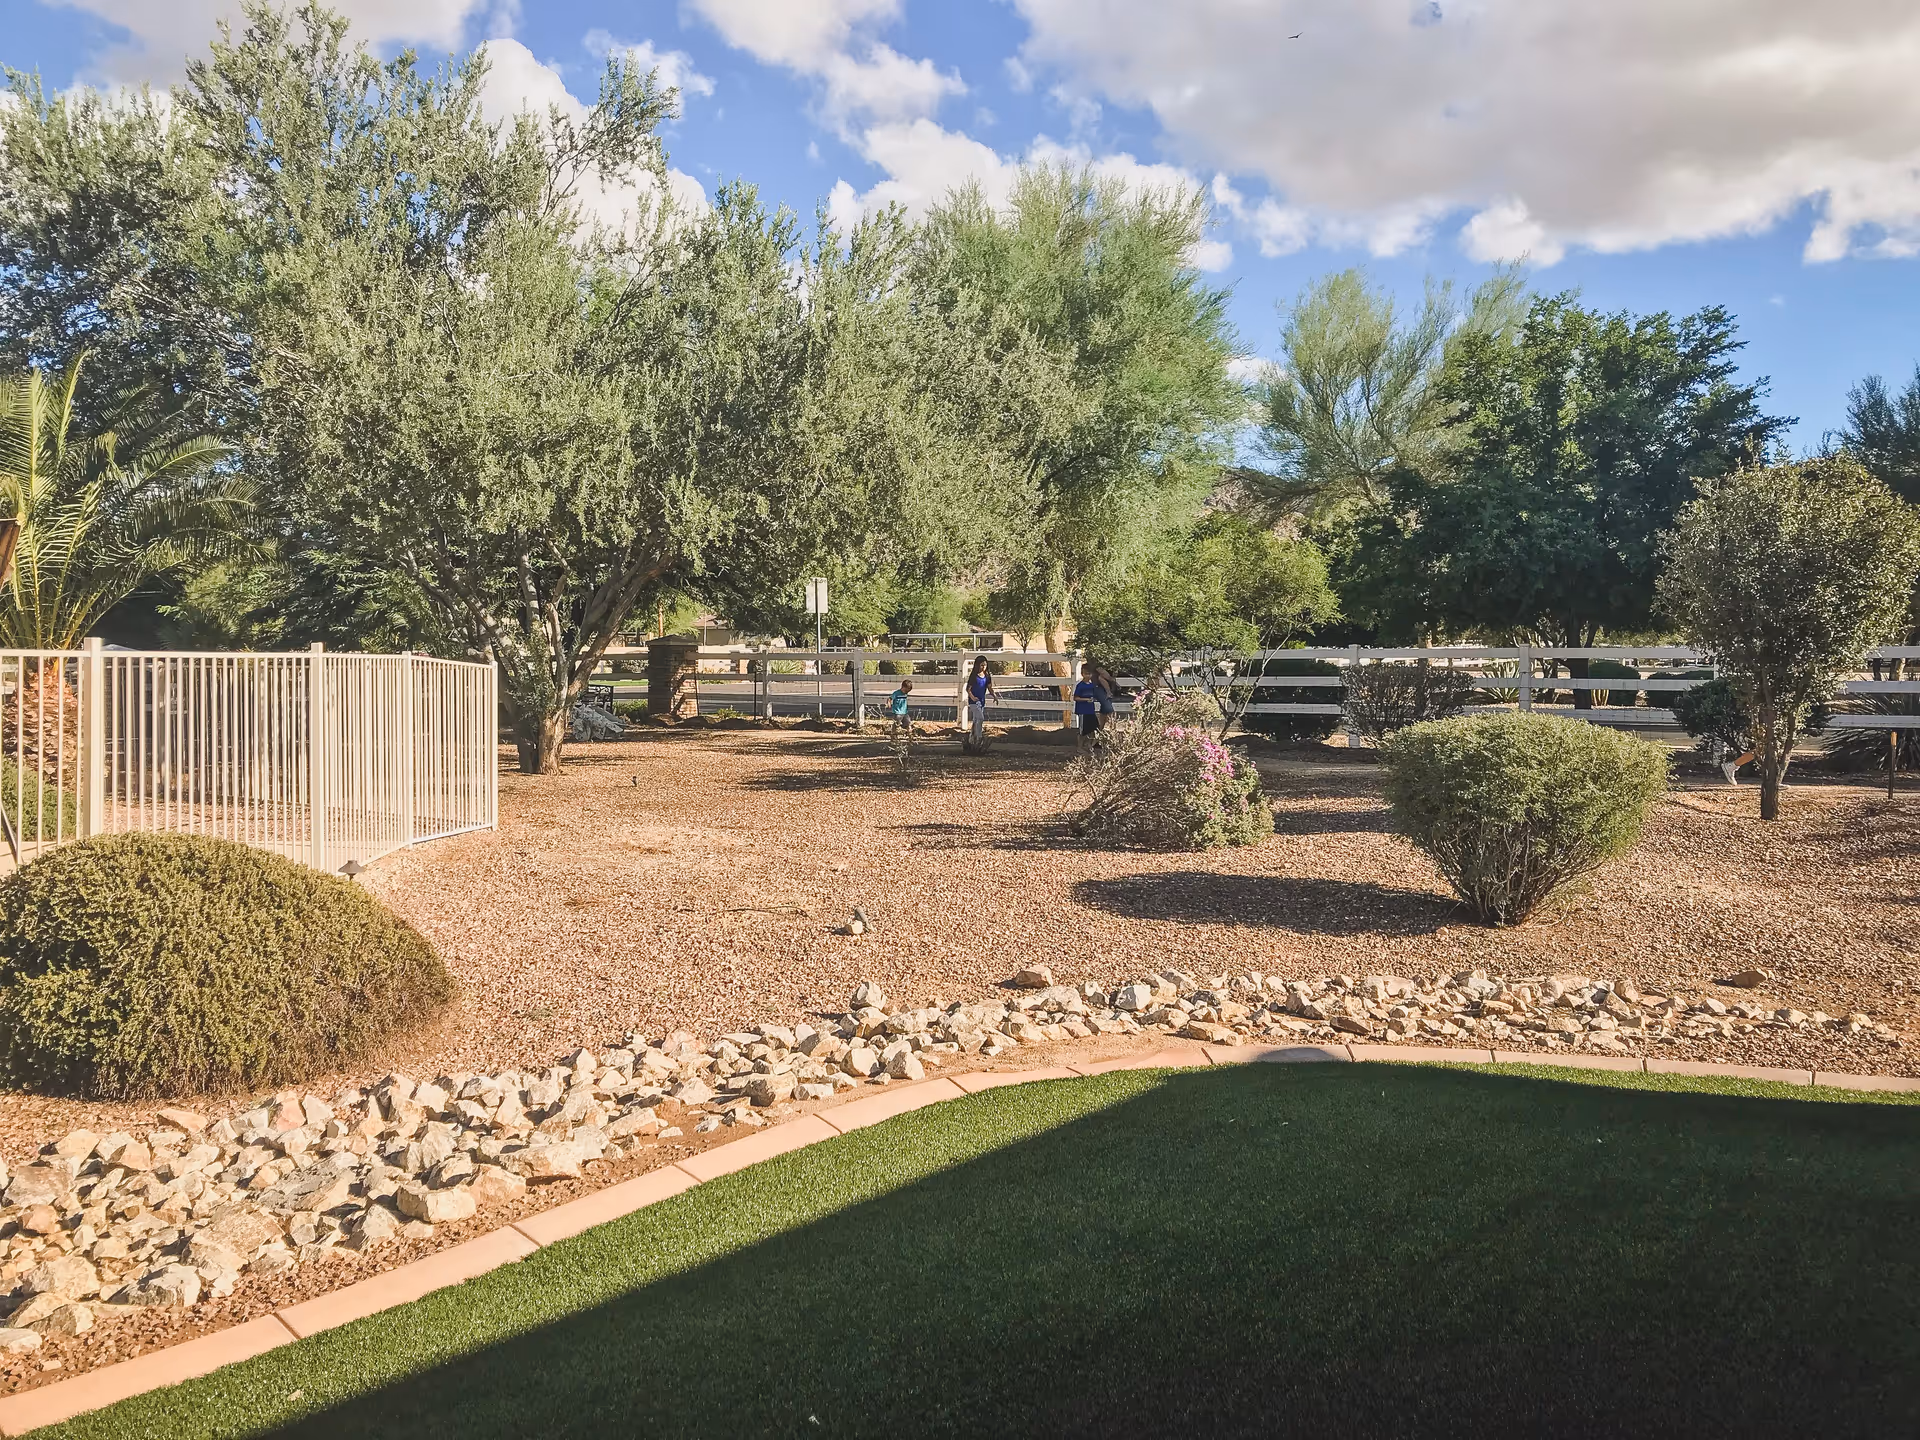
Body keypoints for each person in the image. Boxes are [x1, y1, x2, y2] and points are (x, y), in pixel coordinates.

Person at [964, 656, 996, 753]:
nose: (983, 667)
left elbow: (989, 688)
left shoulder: (986, 676)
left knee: (976, 720)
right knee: (980, 718)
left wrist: (994, 695)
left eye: (985, 665)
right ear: (977, 665)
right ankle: (978, 737)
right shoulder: (974, 676)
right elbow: (968, 689)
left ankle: (971, 738)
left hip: (982, 701)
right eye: (981, 665)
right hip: (974, 702)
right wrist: (973, 698)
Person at [1073, 667, 1109, 744]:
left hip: (1091, 710)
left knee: (1093, 729)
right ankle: (1080, 747)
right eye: (1086, 674)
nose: (1088, 675)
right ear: (1082, 674)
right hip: (1082, 711)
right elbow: (1075, 698)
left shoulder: (1092, 685)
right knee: (1082, 731)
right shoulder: (1080, 685)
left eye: (1089, 674)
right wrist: (1086, 700)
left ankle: (1090, 746)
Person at [888, 677, 914, 766]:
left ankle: (911, 738)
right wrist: (889, 703)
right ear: (903, 687)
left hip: (905, 712)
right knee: (896, 725)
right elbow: (890, 698)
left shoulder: (905, 694)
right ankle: (893, 738)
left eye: (908, 691)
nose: (907, 692)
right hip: (897, 712)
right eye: (906, 690)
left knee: (909, 724)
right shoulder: (896, 693)